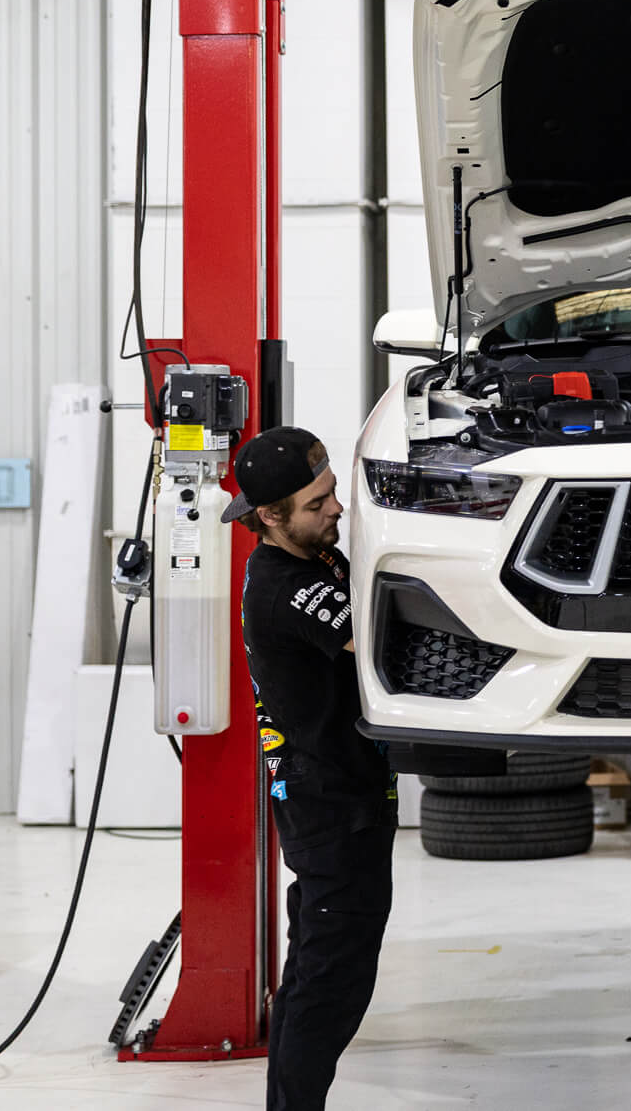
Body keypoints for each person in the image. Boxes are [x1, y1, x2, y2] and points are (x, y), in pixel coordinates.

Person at [220, 426, 396, 1111]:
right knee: (331, 984)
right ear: (270, 516)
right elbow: (378, 637)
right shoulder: (286, 587)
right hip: (330, 808)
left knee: (317, 972)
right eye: (319, 501)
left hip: (347, 793)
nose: (336, 511)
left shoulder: (313, 556)